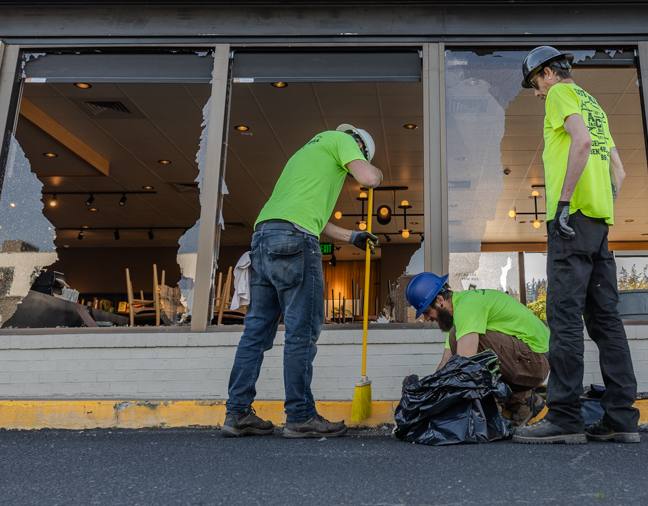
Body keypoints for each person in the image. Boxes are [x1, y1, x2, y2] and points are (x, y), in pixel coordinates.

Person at [512, 47, 641, 446]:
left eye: (535, 83)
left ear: (548, 73)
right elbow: (619, 171)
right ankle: (621, 418)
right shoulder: (594, 104)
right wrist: (598, 207)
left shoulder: (559, 95)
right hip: (599, 223)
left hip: (571, 222)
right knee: (606, 320)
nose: (536, 93)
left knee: (564, 317)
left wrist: (566, 203)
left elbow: (580, 143)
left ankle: (566, 417)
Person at [223, 124, 383, 438]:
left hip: (265, 237)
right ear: (359, 146)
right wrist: (374, 170)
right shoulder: (342, 141)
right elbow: (369, 178)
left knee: (255, 333)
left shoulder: (308, 151)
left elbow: (312, 218)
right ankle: (300, 416)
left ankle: (237, 413)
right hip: (296, 241)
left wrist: (352, 236)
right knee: (301, 332)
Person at [405, 272, 550, 427]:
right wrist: (428, 396)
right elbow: (446, 365)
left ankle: (498, 404)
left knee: (466, 363)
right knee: (460, 351)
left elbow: (464, 363)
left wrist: (448, 407)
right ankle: (523, 402)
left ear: (440, 301)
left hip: (536, 361)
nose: (427, 318)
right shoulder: (459, 316)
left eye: (427, 312)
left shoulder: (468, 306)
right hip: (525, 360)